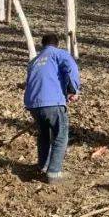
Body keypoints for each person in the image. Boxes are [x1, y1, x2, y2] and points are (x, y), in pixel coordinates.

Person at [24, 33, 81, 185]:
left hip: (33, 104)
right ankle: (54, 173)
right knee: (61, 136)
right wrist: (73, 90)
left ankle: (42, 167)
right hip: (52, 102)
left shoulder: (34, 61)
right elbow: (71, 69)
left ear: (42, 44)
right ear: (57, 44)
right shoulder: (59, 54)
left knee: (44, 135)